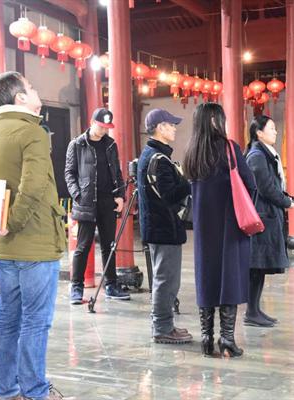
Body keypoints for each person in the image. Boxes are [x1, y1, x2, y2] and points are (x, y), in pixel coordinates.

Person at [0, 71, 66, 400]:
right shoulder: (32, 131)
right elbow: (34, 186)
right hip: (34, 241)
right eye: (30, 87)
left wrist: (5, 226)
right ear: (19, 98)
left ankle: (6, 390)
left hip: (4, 242)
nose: (35, 91)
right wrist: (14, 222)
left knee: (7, 320)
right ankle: (34, 390)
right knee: (35, 321)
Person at [183, 102, 256, 357]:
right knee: (230, 278)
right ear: (215, 121)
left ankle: (206, 338)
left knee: (206, 277)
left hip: (204, 229)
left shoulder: (192, 152)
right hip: (230, 225)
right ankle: (227, 339)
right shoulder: (229, 148)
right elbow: (250, 183)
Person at [137, 108, 193, 344]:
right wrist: (189, 182)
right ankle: (161, 328)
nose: (174, 129)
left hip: (160, 227)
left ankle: (165, 324)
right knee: (166, 280)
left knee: (167, 279)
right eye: (171, 125)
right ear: (160, 127)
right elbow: (169, 195)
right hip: (164, 228)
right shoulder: (158, 160)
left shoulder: (152, 155)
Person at [65, 108, 129, 304]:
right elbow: (69, 174)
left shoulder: (110, 144)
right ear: (92, 122)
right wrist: (78, 195)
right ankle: (76, 287)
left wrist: (120, 195)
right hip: (86, 202)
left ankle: (111, 285)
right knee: (83, 246)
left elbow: (117, 172)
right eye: (101, 126)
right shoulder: (77, 144)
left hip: (108, 201)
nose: (104, 131)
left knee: (109, 246)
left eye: (106, 127)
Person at [244, 115, 294, 327]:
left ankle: (255, 310)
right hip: (261, 217)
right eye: (272, 128)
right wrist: (286, 202)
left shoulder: (265, 154)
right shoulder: (257, 156)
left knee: (259, 267)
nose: (276, 131)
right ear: (259, 133)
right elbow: (266, 188)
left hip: (266, 215)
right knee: (255, 266)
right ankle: (251, 312)